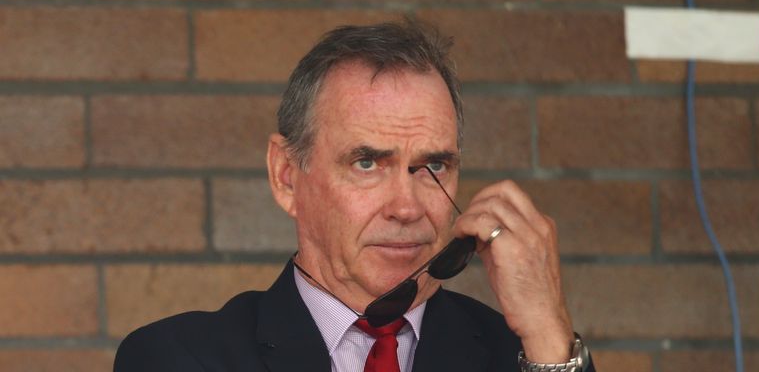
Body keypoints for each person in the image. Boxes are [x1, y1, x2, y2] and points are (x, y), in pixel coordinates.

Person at [114, 20, 595, 372]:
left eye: (434, 166)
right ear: (286, 177)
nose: (407, 208)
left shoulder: (526, 355)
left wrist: (552, 346)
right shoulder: (178, 357)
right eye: (367, 163)